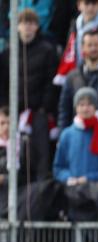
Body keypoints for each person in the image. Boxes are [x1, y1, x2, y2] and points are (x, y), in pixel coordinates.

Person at [0, 8, 58, 182]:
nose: (27, 27)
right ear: (17, 26)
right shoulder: (8, 53)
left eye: (31, 23)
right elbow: (3, 83)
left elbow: (50, 81)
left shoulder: (47, 51)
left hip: (36, 110)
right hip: (13, 111)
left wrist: (44, 107)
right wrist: (5, 108)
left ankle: (42, 180)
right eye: (23, 23)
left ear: (37, 26)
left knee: (40, 147)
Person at [53, 87, 98, 185]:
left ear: (95, 107)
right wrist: (68, 178)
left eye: (89, 104)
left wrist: (89, 178)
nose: (85, 109)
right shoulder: (67, 135)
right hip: (72, 189)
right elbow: (58, 168)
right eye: (81, 105)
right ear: (76, 108)